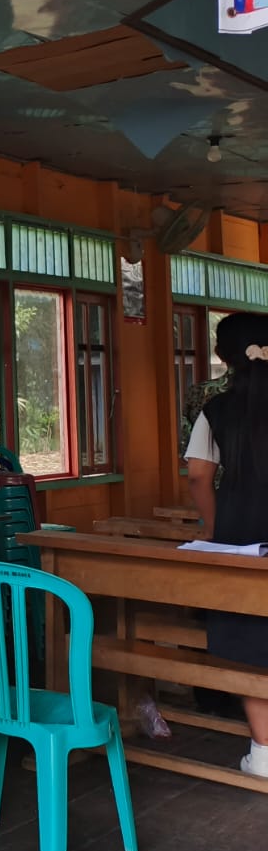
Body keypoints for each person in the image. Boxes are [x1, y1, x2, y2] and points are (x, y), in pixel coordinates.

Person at [184, 311, 268, 777]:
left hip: (241, 536)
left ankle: (263, 753)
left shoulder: (215, 408)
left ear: (223, 356)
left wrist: (218, 531)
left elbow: (199, 476)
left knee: (251, 638)